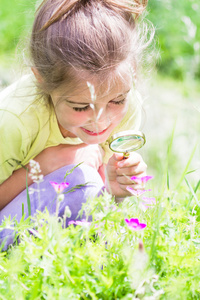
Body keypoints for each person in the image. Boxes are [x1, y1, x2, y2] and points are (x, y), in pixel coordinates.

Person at [0, 0, 153, 237]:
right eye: (81, 107)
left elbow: (99, 208)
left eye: (116, 101)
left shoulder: (129, 106)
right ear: (41, 79)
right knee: (82, 181)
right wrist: (43, 165)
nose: (100, 123)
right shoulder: (13, 120)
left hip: (60, 231)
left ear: (132, 71)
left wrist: (115, 189)